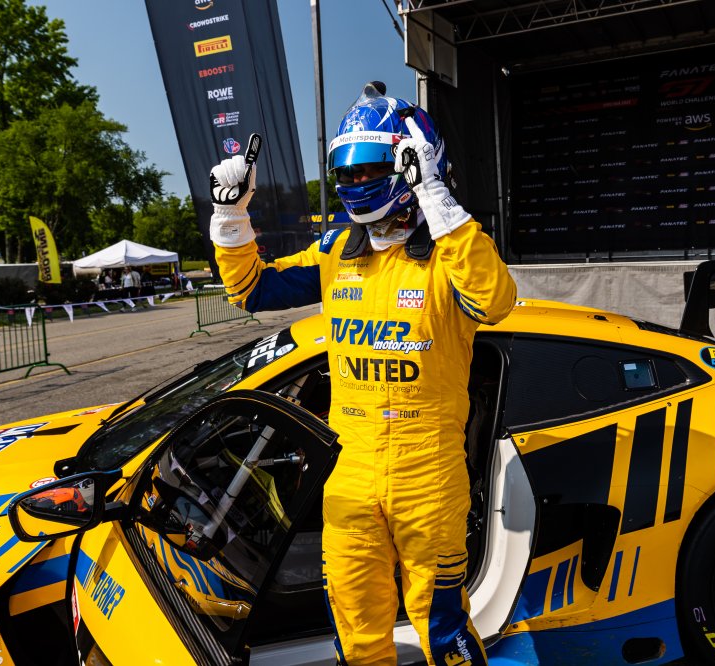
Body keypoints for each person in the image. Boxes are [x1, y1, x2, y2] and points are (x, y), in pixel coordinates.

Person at [209, 82, 516, 665]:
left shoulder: (452, 251)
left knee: (442, 629)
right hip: (348, 469)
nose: (355, 181)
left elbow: (495, 301)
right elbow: (251, 289)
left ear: (413, 163)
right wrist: (231, 216)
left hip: (428, 473)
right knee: (356, 629)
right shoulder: (337, 251)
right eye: (346, 172)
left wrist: (438, 200)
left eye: (369, 168)